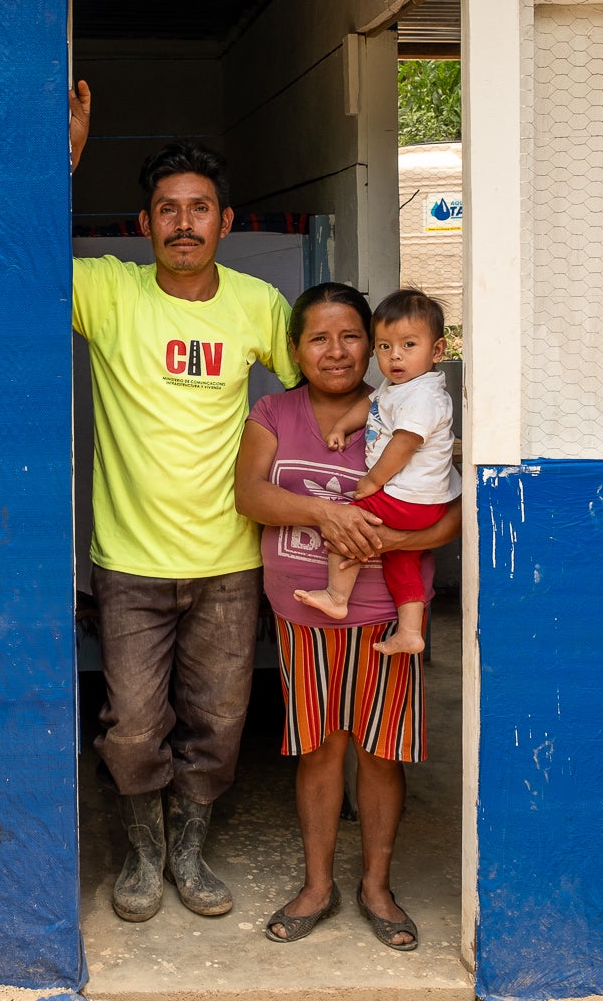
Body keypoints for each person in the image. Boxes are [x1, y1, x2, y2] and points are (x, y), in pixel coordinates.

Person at [71, 85, 300, 922]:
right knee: (133, 725)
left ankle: (190, 849)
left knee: (220, 722)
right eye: (166, 209)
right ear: (143, 226)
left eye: (199, 208)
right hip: (129, 562)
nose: (182, 223)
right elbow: (17, 262)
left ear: (225, 221)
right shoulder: (108, 291)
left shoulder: (259, 306)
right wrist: (62, 159)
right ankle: (142, 850)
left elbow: (315, 395)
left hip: (233, 561)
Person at [233, 282, 461, 948]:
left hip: (387, 615)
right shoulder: (273, 411)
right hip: (304, 615)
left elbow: (449, 517)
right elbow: (250, 496)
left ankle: (377, 886)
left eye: (351, 336)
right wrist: (327, 513)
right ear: (295, 350)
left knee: (381, 754)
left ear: (371, 344)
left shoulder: (411, 403)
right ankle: (317, 884)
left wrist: (390, 541)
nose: (336, 351)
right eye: (318, 338)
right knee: (320, 751)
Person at [293, 289, 461, 655]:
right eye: (385, 346)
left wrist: (372, 482)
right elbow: (368, 406)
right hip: (419, 501)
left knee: (349, 523)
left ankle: (337, 595)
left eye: (408, 344)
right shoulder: (397, 388)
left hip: (408, 498)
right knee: (401, 560)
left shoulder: (423, 396)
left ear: (437, 351)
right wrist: (342, 426)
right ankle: (411, 631)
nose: (395, 355)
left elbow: (404, 443)